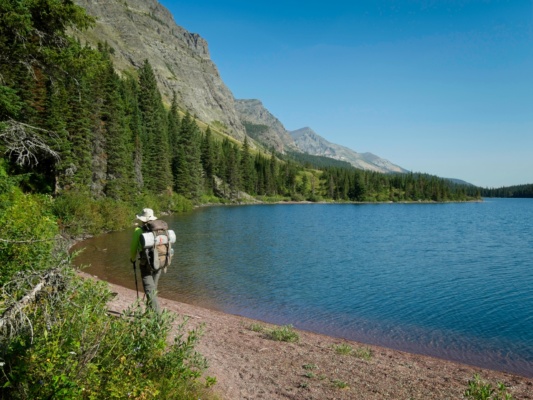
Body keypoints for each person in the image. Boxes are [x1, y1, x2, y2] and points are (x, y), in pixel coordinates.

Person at [130, 208, 162, 313]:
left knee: (149, 289)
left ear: (142, 219)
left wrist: (132, 259)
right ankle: (149, 312)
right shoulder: (159, 229)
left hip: (146, 263)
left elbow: (134, 247)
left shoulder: (138, 230)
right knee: (153, 289)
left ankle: (157, 316)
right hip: (159, 262)